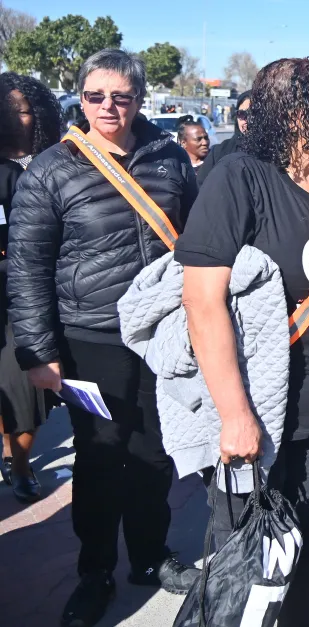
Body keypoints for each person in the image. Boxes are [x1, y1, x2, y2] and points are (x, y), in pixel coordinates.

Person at [176, 57, 309, 626]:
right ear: (294, 115)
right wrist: (234, 415)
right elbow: (201, 299)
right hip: (259, 406)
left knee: (304, 541)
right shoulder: (240, 178)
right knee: (249, 550)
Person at [7, 49, 199, 627]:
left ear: (139, 99)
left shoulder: (169, 156)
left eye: (121, 96)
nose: (108, 107)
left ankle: (149, 555)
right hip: (90, 337)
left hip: (162, 333)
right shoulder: (51, 169)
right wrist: (38, 353)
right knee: (100, 456)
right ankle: (95, 571)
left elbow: (198, 239)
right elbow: (27, 268)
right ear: (81, 98)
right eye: (95, 96)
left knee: (154, 451)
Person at [0, 72, 61, 503]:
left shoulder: (53, 164)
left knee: (27, 388)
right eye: (8, 111)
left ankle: (19, 464)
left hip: (30, 292)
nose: (15, 118)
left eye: (23, 110)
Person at [198, 90, 249, 184]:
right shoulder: (220, 152)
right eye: (241, 114)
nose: (247, 120)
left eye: (253, 114)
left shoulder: (274, 152)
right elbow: (202, 186)